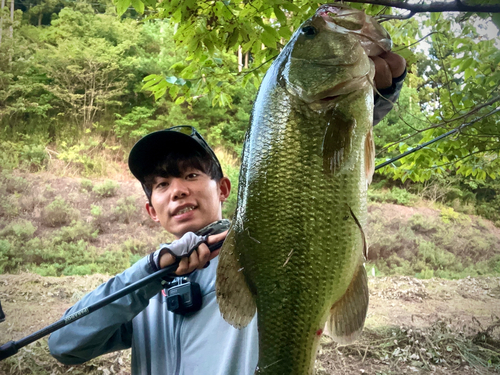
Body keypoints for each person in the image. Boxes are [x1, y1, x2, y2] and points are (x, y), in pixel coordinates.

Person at [48, 51, 406, 375]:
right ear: (151, 210)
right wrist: (150, 272)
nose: (178, 191)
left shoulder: (261, 254)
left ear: (223, 189)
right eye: (161, 185)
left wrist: (361, 94)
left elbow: (315, 164)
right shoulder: (142, 291)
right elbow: (65, 346)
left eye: (191, 175)